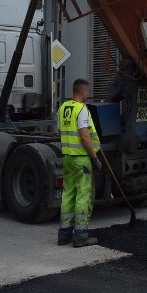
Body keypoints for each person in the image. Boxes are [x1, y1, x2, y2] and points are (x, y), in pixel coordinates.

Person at [57, 78, 101, 248]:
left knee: (68, 193)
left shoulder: (63, 108)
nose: (88, 94)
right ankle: (81, 235)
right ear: (83, 92)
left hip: (67, 156)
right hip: (81, 158)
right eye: (87, 92)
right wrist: (95, 158)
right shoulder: (81, 109)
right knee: (84, 194)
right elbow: (84, 136)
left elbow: (61, 131)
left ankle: (64, 234)